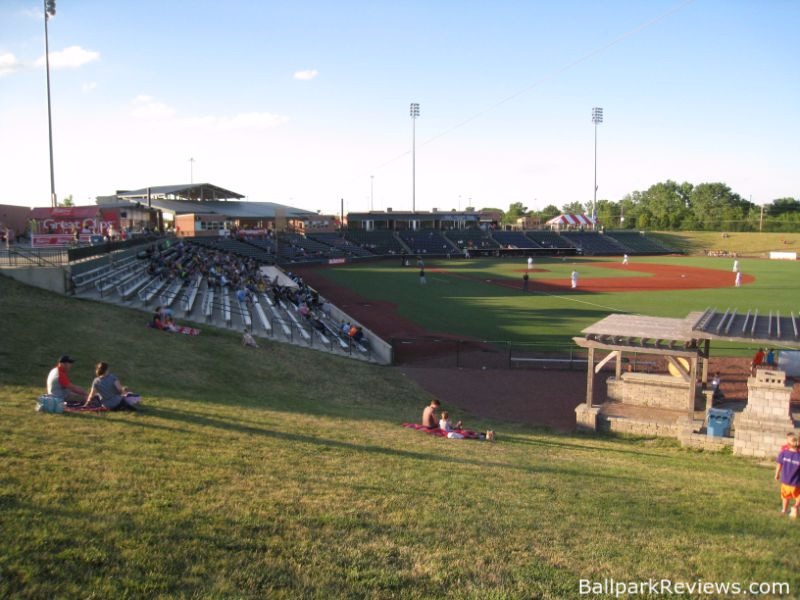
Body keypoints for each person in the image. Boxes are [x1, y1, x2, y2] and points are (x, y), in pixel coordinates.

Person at [775, 434, 800, 517]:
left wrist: (777, 474)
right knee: (798, 496)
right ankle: (795, 506)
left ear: (787, 444)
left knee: (785, 497)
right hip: (796, 483)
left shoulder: (784, 453)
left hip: (785, 481)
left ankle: (784, 510)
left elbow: (779, 465)